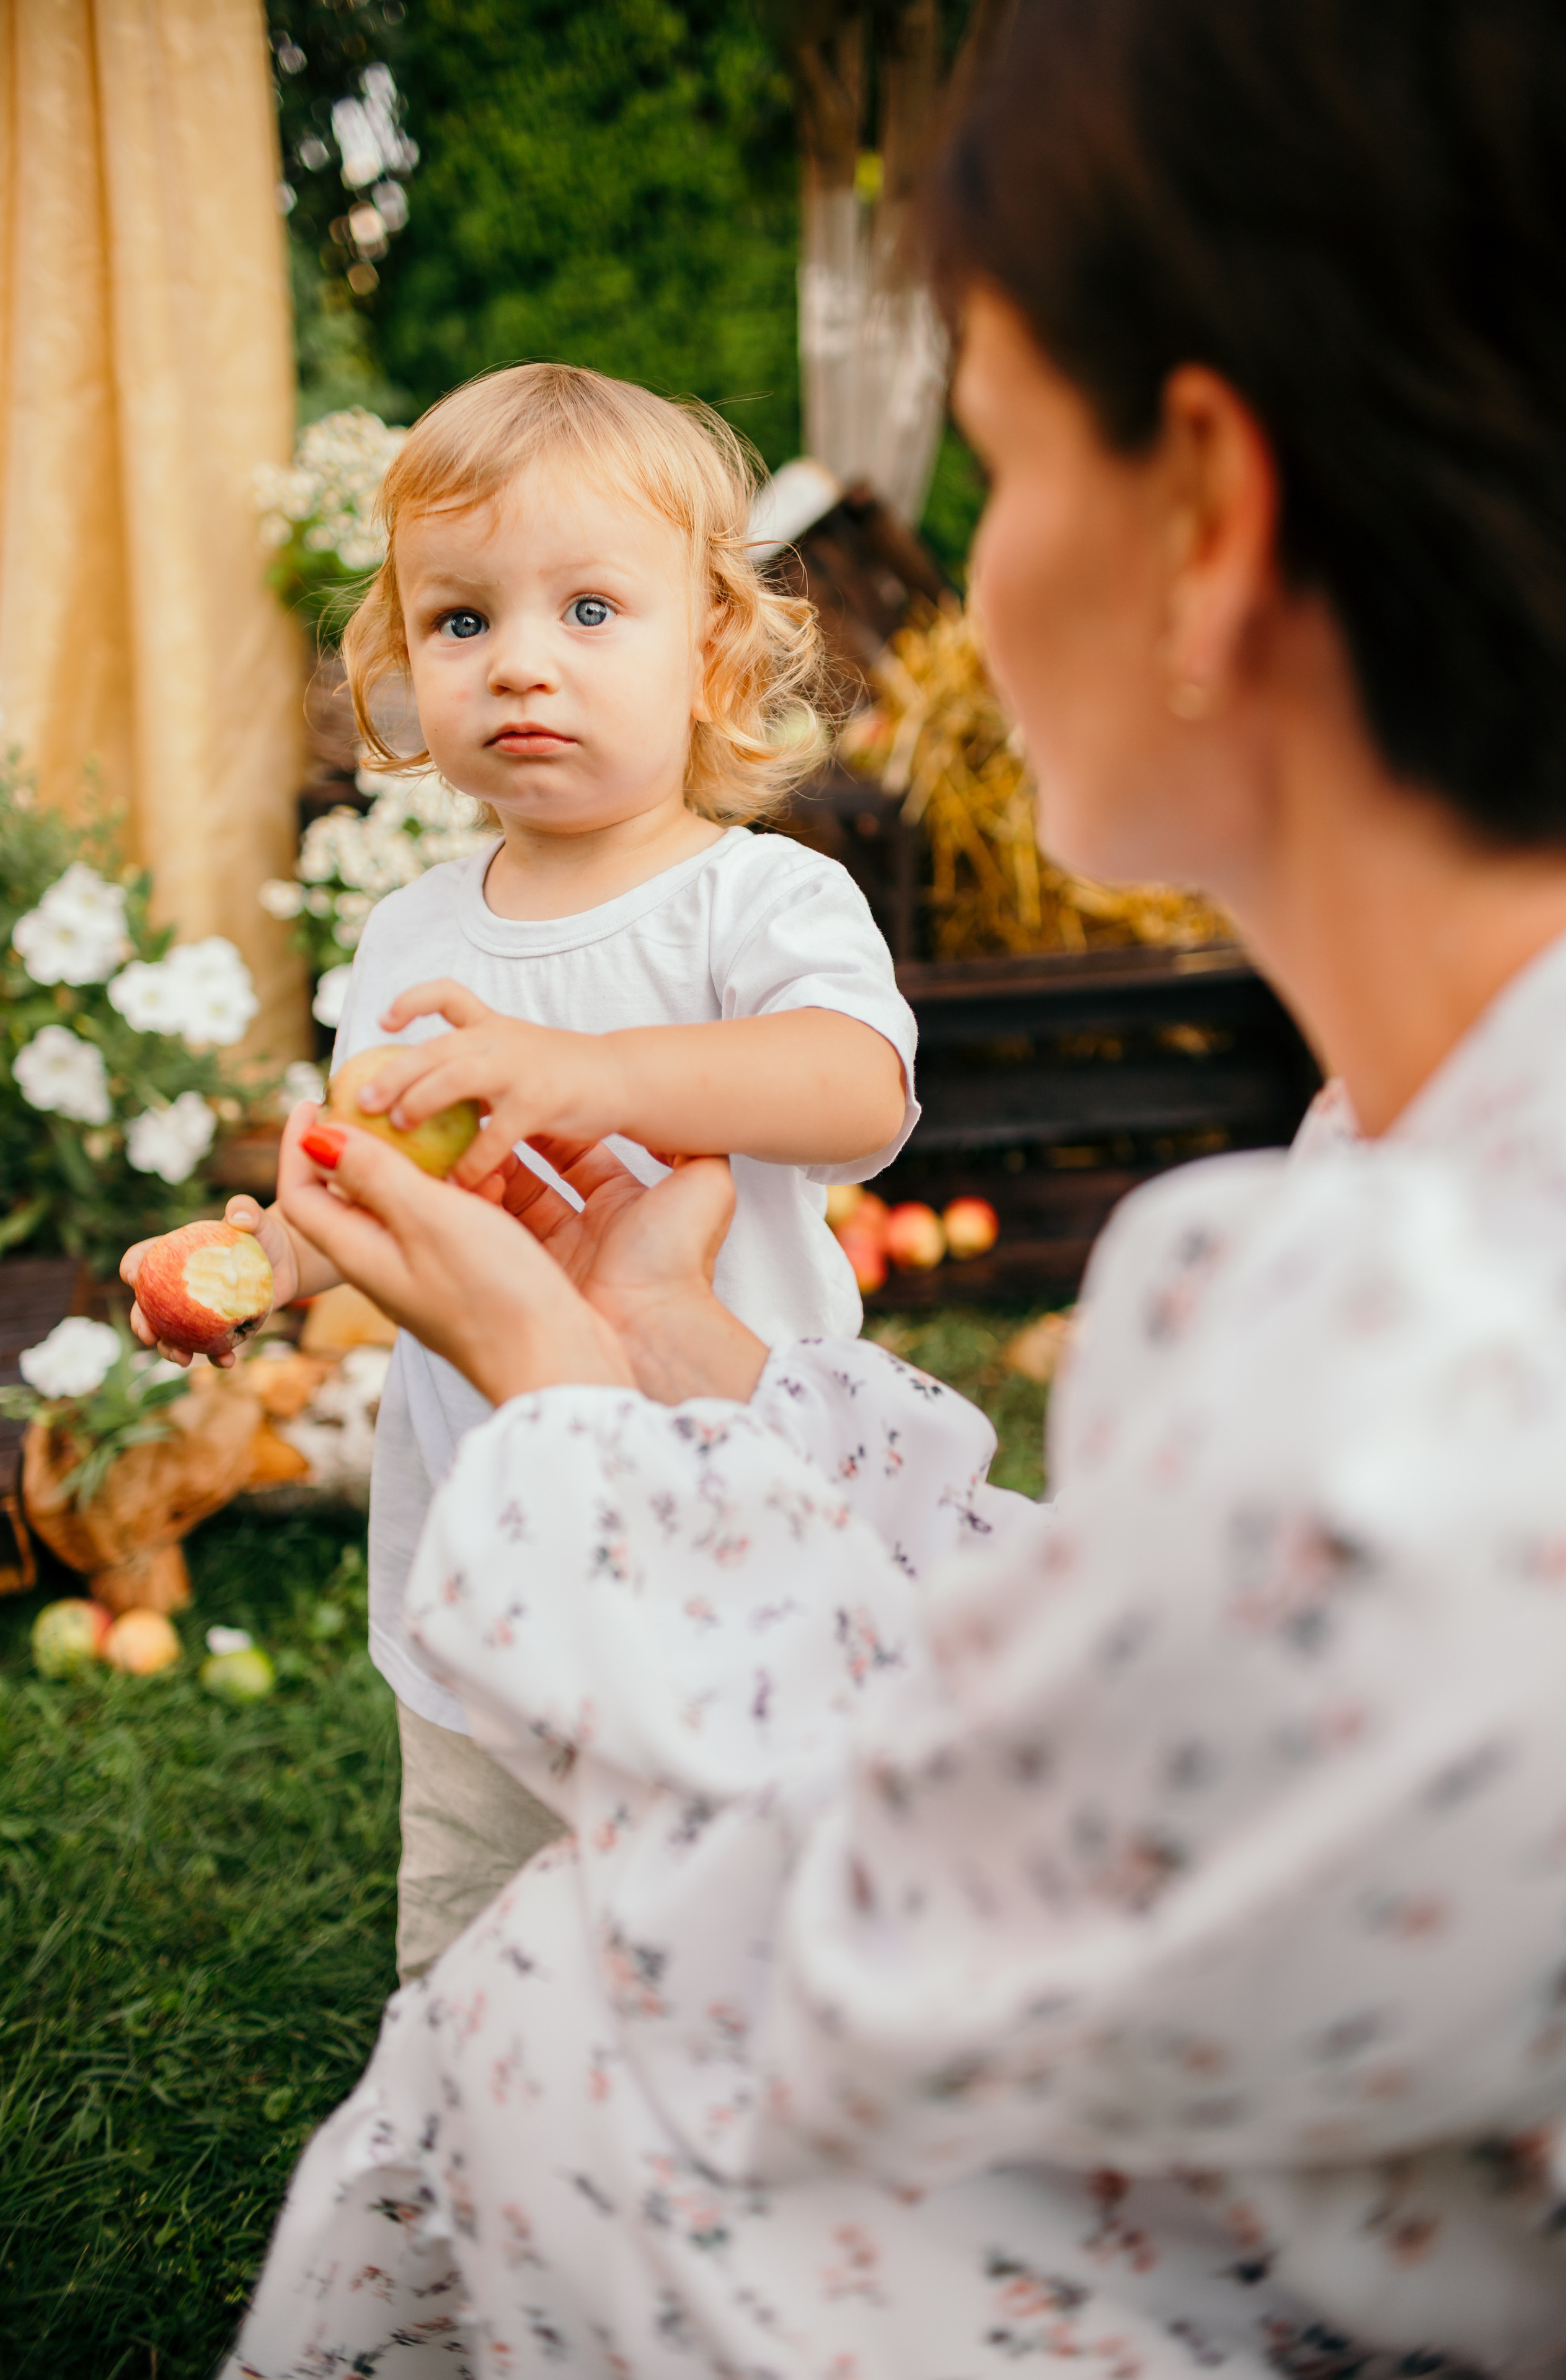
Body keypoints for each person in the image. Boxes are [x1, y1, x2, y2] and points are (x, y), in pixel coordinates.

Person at [226, 0, 1566, 2370]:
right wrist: (669, 1340)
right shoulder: (1420, 1171)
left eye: (998, 462)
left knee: (543, 1981)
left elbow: (862, 1972)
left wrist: (571, 1399)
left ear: (1208, 519)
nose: (945, 588)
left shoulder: (1400, 1322)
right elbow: (1113, 1739)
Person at [123, 364, 919, 1983]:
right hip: (481, 1536)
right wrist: (273, 1260)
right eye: (462, 619)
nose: (520, 663)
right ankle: (484, 2098)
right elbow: (371, 1181)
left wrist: (599, 1075)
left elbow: (858, 1094)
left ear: (712, 649)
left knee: (735, 1903)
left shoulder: (756, 903)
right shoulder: (411, 932)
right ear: (403, 662)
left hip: (719, 1519)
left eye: (590, 610)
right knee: (488, 1914)